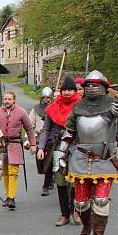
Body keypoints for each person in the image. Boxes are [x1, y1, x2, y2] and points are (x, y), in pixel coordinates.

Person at [54, 70, 118, 235]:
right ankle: (87, 224)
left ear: (103, 88)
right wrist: (60, 155)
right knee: (81, 203)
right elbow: (68, 133)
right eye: (88, 85)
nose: (91, 88)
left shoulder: (113, 106)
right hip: (81, 158)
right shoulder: (77, 108)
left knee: (100, 201)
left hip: (105, 158)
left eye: (95, 84)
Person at [37, 77, 80, 226]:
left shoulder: (81, 106)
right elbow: (46, 129)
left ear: (75, 91)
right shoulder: (53, 107)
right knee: (60, 181)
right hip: (58, 147)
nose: (67, 92)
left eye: (70, 89)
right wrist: (41, 147)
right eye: (64, 90)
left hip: (76, 147)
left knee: (75, 181)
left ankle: (76, 210)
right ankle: (64, 214)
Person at [0, 91, 36, 209]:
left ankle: (11, 197)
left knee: (13, 172)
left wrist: (33, 144)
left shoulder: (21, 112)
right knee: (5, 172)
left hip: (15, 144)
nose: (7, 101)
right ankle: (8, 196)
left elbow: (29, 129)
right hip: (1, 145)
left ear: (14, 100)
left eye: (9, 99)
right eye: (5, 99)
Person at [29, 87, 54, 195]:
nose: (47, 99)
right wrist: (29, 139)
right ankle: (49, 178)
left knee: (49, 161)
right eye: (45, 97)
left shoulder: (54, 108)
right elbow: (30, 124)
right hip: (40, 137)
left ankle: (46, 184)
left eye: (48, 97)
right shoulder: (36, 109)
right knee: (41, 162)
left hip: (52, 138)